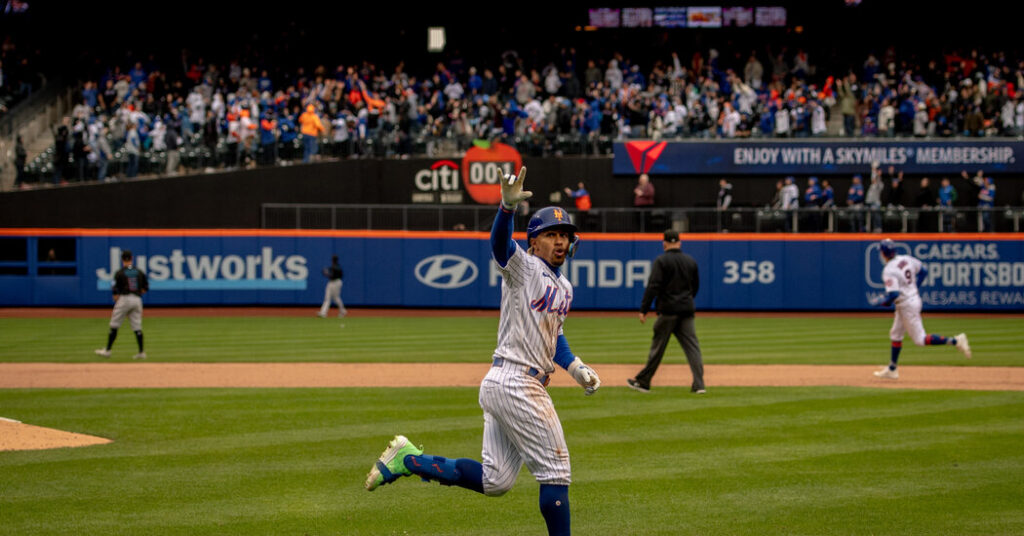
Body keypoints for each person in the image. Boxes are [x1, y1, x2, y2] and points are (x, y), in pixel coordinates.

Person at [364, 166, 601, 536]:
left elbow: (554, 335)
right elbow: (499, 246)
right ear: (534, 241)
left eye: (564, 235)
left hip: (506, 383)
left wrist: (575, 367)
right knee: (556, 472)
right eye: (551, 234)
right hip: (517, 383)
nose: (559, 241)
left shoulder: (565, 287)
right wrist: (506, 209)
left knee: (496, 481)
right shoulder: (524, 267)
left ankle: (409, 460)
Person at [870, 239, 971, 379]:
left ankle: (956, 341)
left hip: (907, 305)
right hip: (909, 301)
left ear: (883, 253)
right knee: (895, 334)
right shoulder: (906, 258)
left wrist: (881, 302)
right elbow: (923, 271)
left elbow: (893, 294)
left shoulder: (889, 270)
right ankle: (892, 369)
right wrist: (914, 287)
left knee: (920, 340)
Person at [628, 229, 704, 394]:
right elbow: (695, 286)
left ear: (664, 244)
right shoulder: (690, 261)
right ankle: (699, 385)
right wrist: (687, 300)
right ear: (679, 242)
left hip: (668, 311)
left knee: (658, 348)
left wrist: (644, 309)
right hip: (686, 310)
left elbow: (653, 286)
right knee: (693, 348)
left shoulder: (661, 261)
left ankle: (643, 382)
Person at [94, 250, 149, 359]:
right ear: (132, 258)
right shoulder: (139, 271)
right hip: (137, 299)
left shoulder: (120, 272)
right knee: (137, 326)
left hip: (125, 298)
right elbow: (145, 288)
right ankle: (141, 352)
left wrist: (120, 303)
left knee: (114, 325)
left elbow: (114, 290)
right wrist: (137, 294)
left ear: (122, 259)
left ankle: (108, 350)